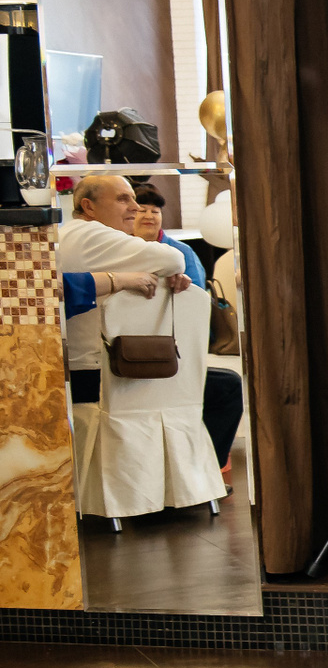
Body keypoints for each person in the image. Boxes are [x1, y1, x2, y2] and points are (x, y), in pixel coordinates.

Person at [130, 183, 244, 469]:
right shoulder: (119, 252)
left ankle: (207, 467)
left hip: (174, 347)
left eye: (155, 210)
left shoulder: (181, 253)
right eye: (142, 210)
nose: (149, 216)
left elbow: (195, 306)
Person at [55, 175, 190, 407]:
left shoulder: (71, 233)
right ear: (89, 206)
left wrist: (159, 271)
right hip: (96, 369)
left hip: (84, 364)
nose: (135, 207)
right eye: (123, 199)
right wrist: (165, 270)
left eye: (133, 199)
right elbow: (174, 259)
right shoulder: (92, 234)